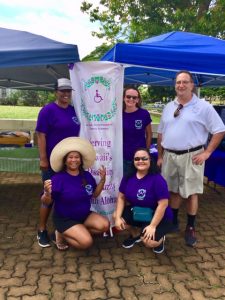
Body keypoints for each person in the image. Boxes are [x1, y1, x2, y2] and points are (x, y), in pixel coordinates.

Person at [157, 70, 225, 247]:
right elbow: (161, 133)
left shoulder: (203, 107)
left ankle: (190, 226)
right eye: (178, 82)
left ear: (192, 85)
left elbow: (219, 130)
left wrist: (207, 152)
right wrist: (160, 155)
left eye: (185, 82)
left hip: (191, 156)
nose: (181, 85)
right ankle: (172, 222)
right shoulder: (169, 106)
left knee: (191, 192)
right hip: (170, 156)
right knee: (173, 191)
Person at [41, 137, 110, 250]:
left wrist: (102, 180)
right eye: (70, 157)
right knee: (86, 242)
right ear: (65, 161)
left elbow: (94, 195)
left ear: (81, 160)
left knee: (104, 225)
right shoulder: (58, 179)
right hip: (65, 219)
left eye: (77, 157)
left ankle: (75, 231)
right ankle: (61, 233)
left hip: (84, 216)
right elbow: (45, 202)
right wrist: (47, 194)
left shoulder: (86, 176)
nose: (74, 160)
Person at [36, 78, 80, 247]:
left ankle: (59, 231)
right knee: (49, 195)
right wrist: (43, 159)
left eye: (68, 91)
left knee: (64, 195)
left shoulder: (73, 111)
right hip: (52, 162)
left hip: (70, 163)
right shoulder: (48, 111)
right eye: (62, 91)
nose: (66, 94)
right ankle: (41, 230)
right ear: (55, 91)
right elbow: (41, 135)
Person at [114, 148, 174, 254]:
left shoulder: (158, 179)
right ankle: (136, 235)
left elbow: (163, 205)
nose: (140, 161)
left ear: (150, 160)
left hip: (158, 215)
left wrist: (152, 226)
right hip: (139, 212)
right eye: (137, 159)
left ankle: (160, 240)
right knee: (116, 216)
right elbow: (121, 197)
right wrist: (118, 218)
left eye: (144, 158)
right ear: (133, 161)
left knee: (149, 242)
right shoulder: (128, 177)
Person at [123, 87, 152, 176]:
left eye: (134, 97)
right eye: (128, 96)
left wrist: (146, 151)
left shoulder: (144, 114)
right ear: (124, 98)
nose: (131, 99)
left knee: (140, 182)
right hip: (123, 156)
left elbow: (149, 134)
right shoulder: (118, 114)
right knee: (126, 183)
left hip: (140, 157)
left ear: (138, 99)